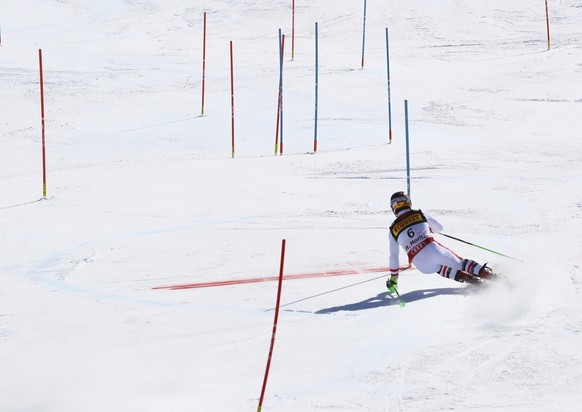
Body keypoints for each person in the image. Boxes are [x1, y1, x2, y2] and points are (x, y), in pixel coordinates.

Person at [386, 191, 493, 293]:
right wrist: (429, 230)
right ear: (408, 202)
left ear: (393, 207)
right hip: (432, 249)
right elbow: (439, 228)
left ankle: (471, 279)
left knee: (439, 267)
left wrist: (394, 280)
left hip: (420, 264)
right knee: (460, 263)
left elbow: (393, 258)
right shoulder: (419, 213)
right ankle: (494, 277)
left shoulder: (392, 229)